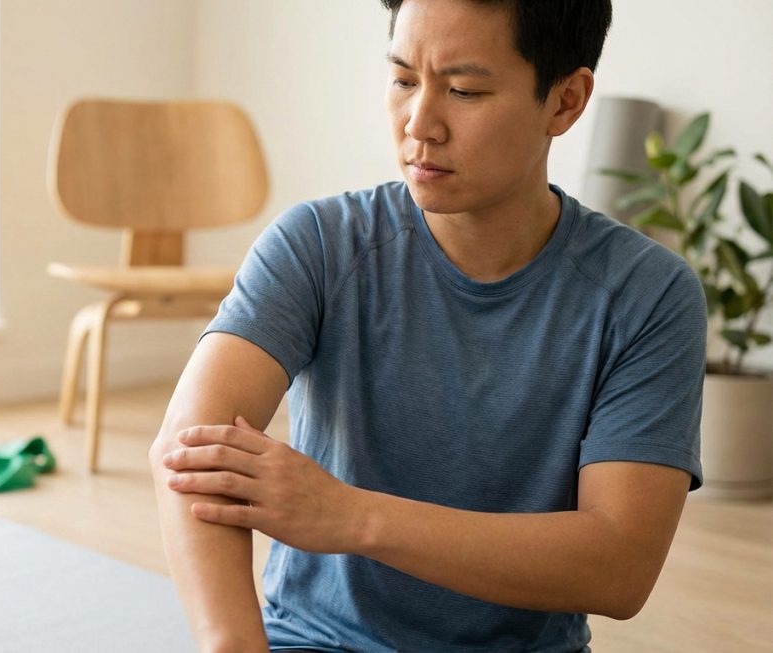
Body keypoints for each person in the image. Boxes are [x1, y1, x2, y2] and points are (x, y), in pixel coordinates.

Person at [148, 0, 705, 651]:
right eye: (403, 79)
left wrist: (351, 516)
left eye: (464, 90)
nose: (419, 123)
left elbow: (619, 566)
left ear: (565, 102)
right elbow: (188, 450)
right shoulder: (317, 244)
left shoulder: (648, 294)